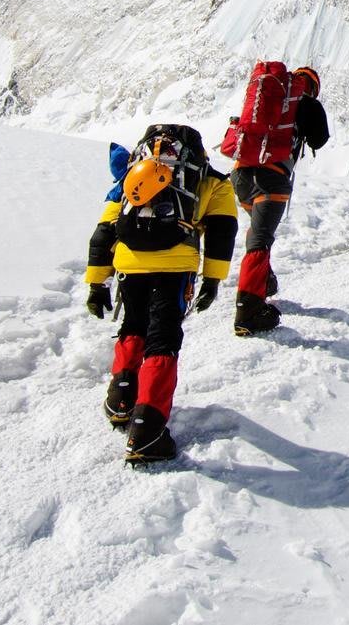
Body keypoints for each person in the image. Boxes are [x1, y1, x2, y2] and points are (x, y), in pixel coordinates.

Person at [84, 123, 238, 464]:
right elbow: (222, 232)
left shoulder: (133, 175)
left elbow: (103, 232)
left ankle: (121, 400)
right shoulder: (211, 181)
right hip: (175, 265)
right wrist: (212, 280)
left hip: (128, 260)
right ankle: (147, 430)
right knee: (163, 339)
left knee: (133, 325)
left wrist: (97, 282)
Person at [226, 63, 329, 336]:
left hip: (240, 175)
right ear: (313, 87)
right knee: (260, 238)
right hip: (272, 179)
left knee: (258, 229)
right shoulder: (307, 104)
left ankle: (265, 281)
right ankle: (248, 309)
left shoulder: (268, 96)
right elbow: (320, 139)